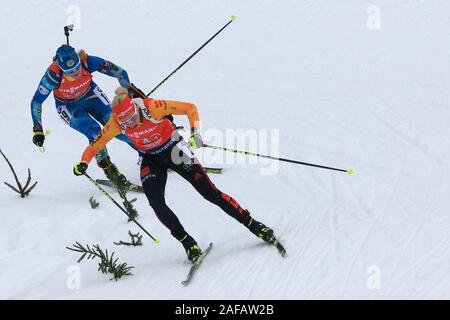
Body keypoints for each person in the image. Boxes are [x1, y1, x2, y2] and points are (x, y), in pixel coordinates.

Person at [72, 87, 281, 263]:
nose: (131, 126)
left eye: (132, 120)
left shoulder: (152, 107)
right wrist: (83, 162)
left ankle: (253, 224)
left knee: (210, 194)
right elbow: (95, 145)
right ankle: (188, 243)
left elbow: (189, 108)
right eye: (125, 124)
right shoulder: (116, 124)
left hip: (174, 149)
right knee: (155, 201)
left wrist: (196, 133)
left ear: (135, 109)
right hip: (151, 159)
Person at [31, 44, 135, 182]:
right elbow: (36, 101)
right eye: (69, 71)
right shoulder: (52, 76)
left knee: (120, 127)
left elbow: (120, 72)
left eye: (76, 67)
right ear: (61, 68)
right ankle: (109, 169)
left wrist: (130, 91)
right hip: (69, 107)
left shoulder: (88, 61)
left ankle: (148, 151)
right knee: (94, 131)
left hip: (92, 96)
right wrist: (38, 129)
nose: (75, 72)